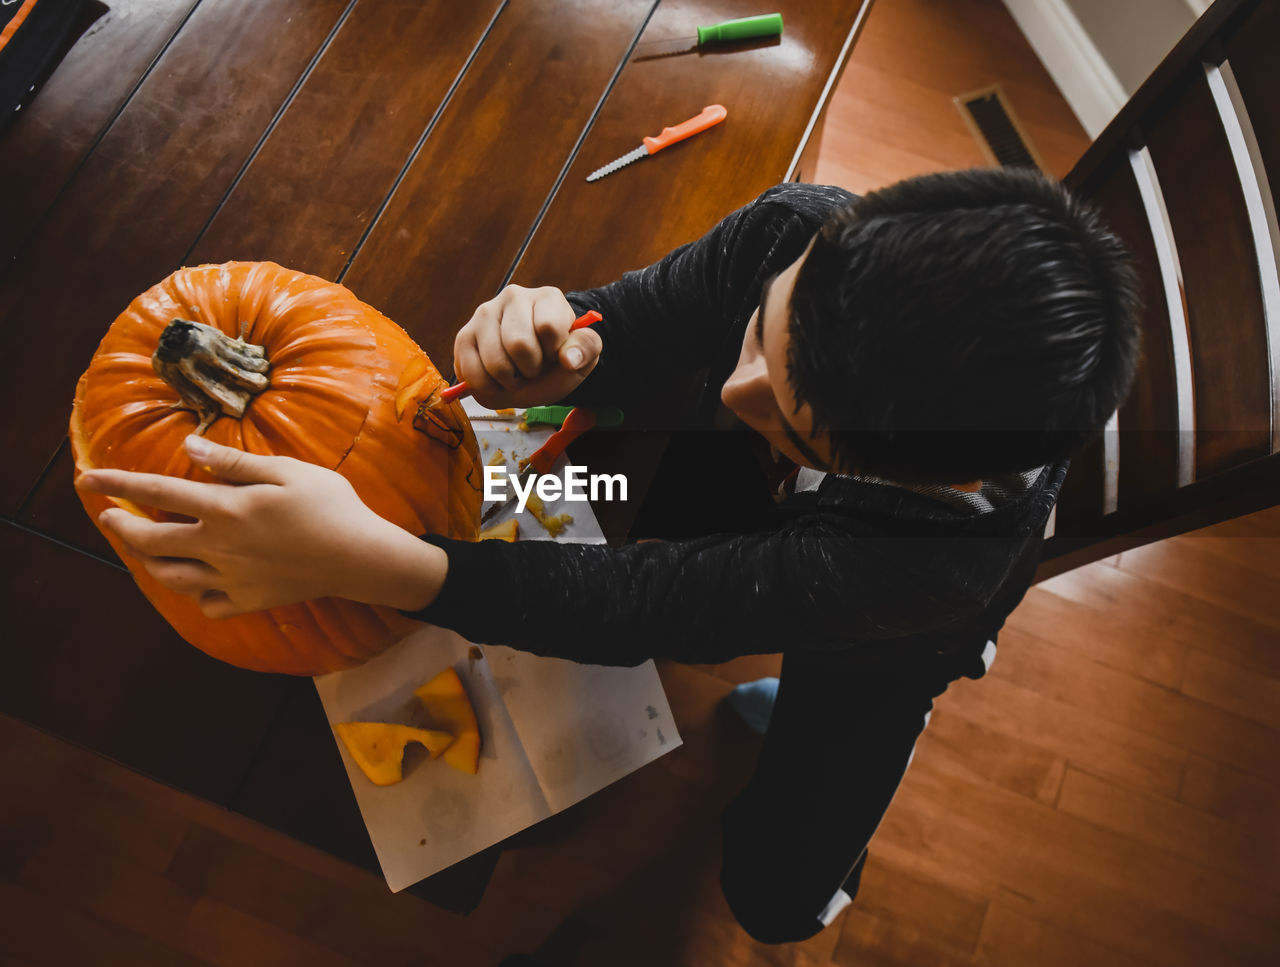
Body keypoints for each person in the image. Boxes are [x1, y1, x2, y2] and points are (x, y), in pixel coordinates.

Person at [79, 168, 1139, 945]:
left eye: (792, 419)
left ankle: (896, 719)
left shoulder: (928, 557)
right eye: (762, 334)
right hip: (771, 534)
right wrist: (567, 340)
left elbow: (653, 605)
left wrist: (375, 561)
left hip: (889, 625)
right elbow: (640, 322)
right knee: (663, 496)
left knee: (771, 899)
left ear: (922, 475)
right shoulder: (795, 224)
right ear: (834, 236)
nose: (736, 394)